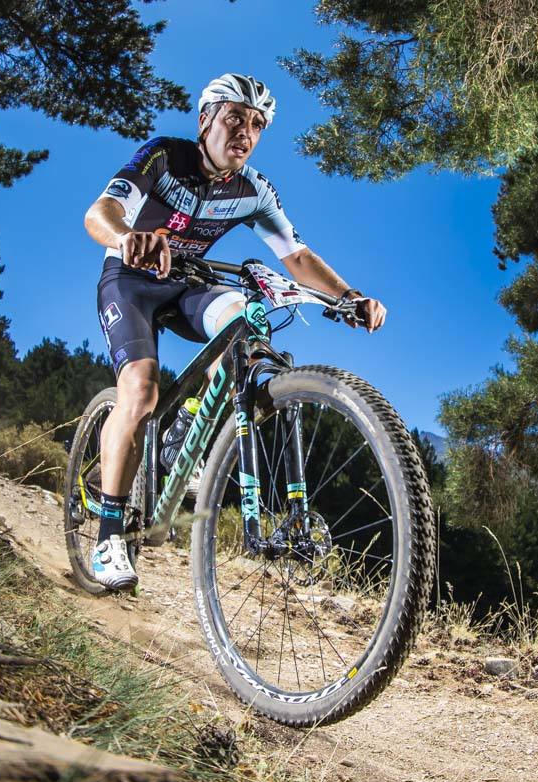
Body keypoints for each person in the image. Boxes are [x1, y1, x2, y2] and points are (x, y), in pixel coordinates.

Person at [82, 73, 387, 590]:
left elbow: (297, 256)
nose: (245, 132)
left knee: (247, 330)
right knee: (141, 389)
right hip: (130, 279)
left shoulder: (253, 190)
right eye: (234, 118)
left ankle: (183, 438)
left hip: (189, 283)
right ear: (206, 121)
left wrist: (349, 297)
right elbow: (101, 211)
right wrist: (126, 236)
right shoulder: (164, 157)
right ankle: (109, 536)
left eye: (257, 125)